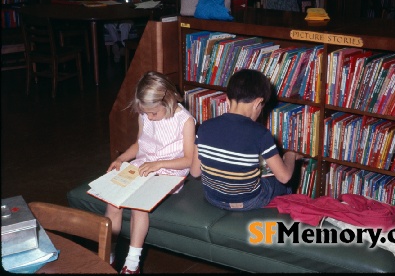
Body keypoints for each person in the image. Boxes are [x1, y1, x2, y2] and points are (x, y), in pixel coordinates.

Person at [105, 71, 196, 274]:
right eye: (145, 113)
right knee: (113, 202)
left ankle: (132, 263)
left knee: (139, 205)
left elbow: (188, 160)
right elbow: (139, 144)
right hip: (144, 165)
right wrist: (122, 158)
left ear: (168, 100)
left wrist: (158, 164)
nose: (149, 117)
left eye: (153, 113)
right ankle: (108, 256)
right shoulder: (145, 115)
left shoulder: (185, 121)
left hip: (171, 171)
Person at [190, 69, 303, 211]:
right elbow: (284, 177)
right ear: (258, 103)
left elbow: (195, 172)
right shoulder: (260, 133)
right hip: (248, 201)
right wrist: (289, 156)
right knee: (282, 183)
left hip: (212, 198)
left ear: (226, 99)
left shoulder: (205, 127)